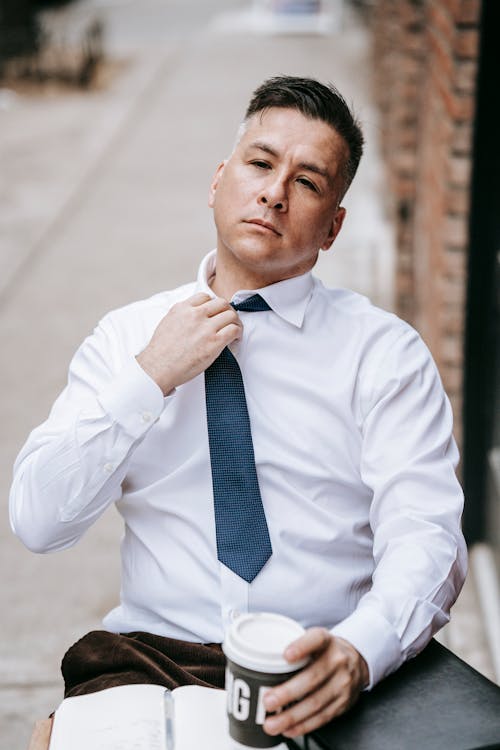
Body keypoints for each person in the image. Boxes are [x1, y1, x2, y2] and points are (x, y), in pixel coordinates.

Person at [10, 75, 466, 741]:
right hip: (152, 663)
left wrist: (360, 651)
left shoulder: (383, 353)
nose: (275, 192)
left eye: (307, 182)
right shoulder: (127, 339)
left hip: (313, 664)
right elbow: (38, 520)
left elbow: (427, 534)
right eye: (260, 163)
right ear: (219, 179)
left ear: (333, 227)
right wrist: (150, 376)